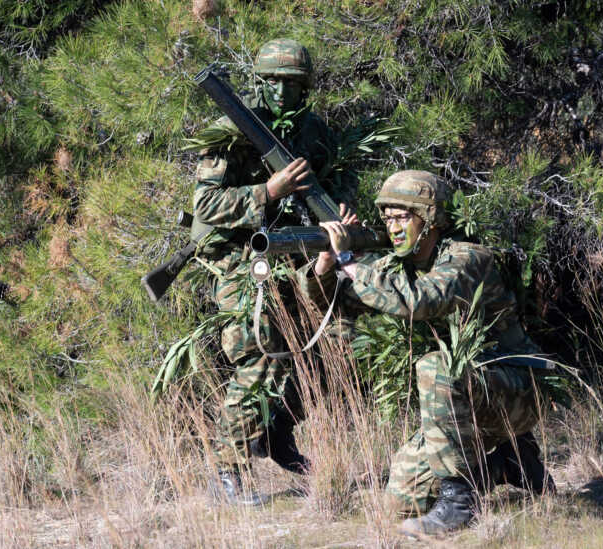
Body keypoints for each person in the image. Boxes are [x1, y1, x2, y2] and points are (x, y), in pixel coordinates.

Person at [297, 170, 555, 536]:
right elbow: (337, 305)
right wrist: (326, 264)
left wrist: (352, 261)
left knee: (435, 367)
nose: (393, 227)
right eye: (387, 218)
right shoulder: (399, 265)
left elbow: (420, 300)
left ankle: (459, 502)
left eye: (402, 217)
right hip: (461, 403)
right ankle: (507, 464)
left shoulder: (468, 259)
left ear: (430, 219)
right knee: (400, 502)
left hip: (518, 388)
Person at [190, 38, 357, 504]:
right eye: (273, 82)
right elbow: (205, 204)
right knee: (258, 357)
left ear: (306, 87)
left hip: (303, 258)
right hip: (245, 263)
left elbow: (339, 183)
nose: (282, 91)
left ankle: (279, 435)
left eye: (292, 83)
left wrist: (342, 208)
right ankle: (227, 473)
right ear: (259, 83)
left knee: (332, 350)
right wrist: (268, 189)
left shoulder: (317, 133)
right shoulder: (232, 131)